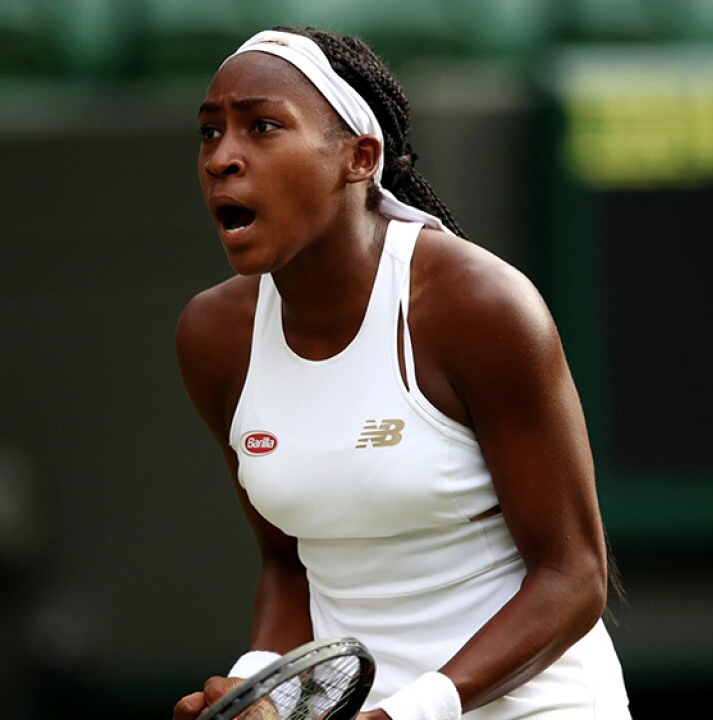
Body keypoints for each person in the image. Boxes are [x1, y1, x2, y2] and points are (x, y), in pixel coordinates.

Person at [173, 26, 631, 720]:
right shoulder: (213, 338)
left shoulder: (479, 306)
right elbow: (290, 564)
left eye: (262, 126)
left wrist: (409, 713)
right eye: (210, 133)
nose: (222, 159)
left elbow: (573, 577)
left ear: (359, 158)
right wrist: (256, 688)